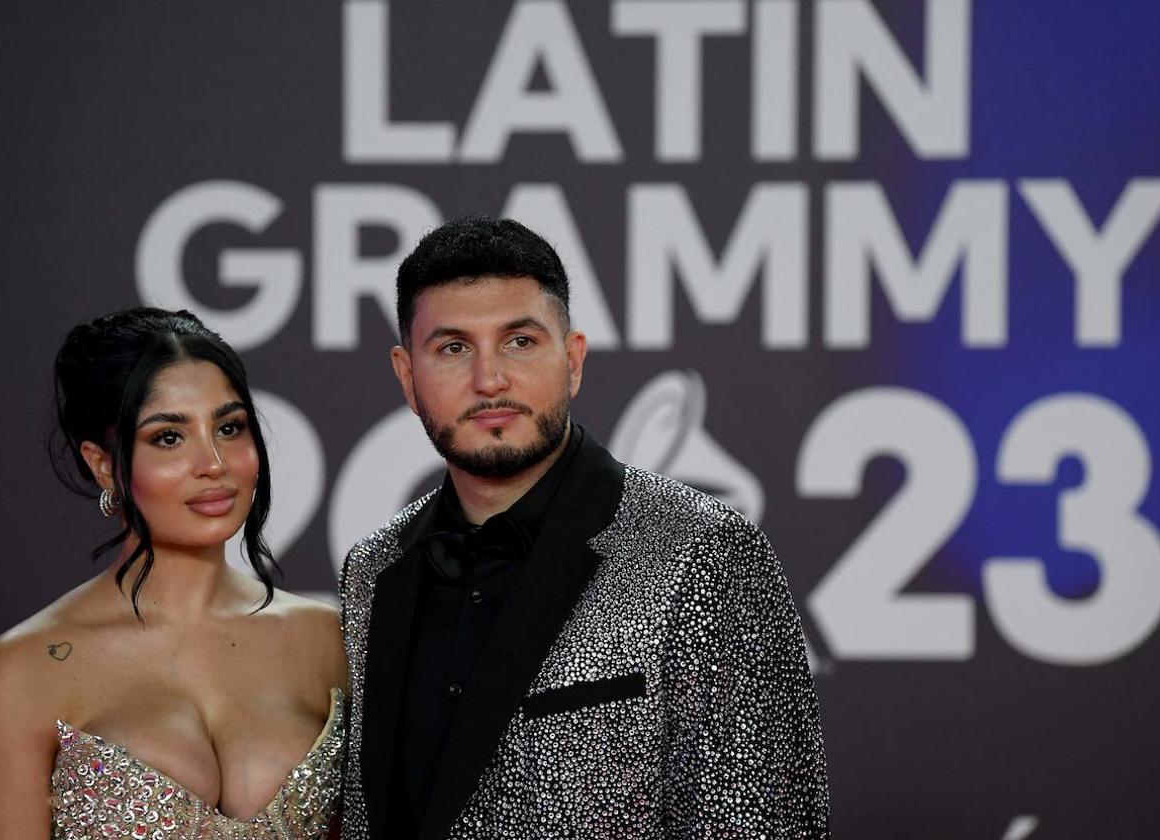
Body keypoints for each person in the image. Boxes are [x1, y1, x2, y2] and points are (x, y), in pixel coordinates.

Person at [338, 217, 830, 839]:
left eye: (519, 342)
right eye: (454, 348)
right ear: (408, 377)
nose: (489, 380)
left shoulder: (704, 550)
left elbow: (759, 821)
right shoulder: (374, 568)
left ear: (572, 360)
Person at [0, 308, 348, 839]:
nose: (214, 462)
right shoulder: (24, 670)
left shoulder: (326, 640)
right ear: (103, 464)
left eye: (230, 427)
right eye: (169, 438)